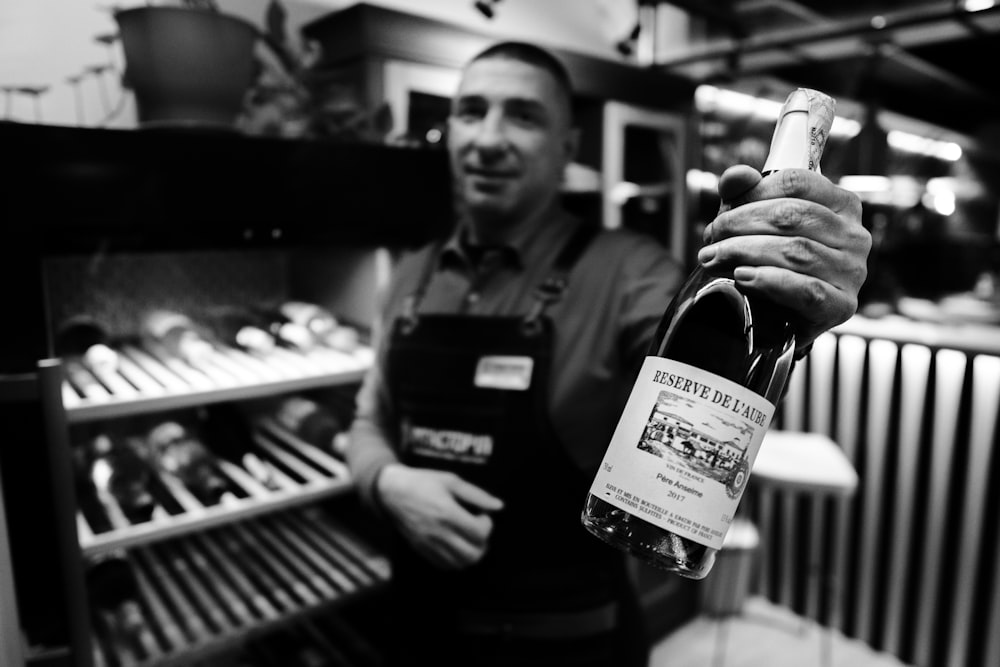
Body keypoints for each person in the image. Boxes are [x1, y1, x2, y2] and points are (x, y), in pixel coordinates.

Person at [343, 41, 871, 667]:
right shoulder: (409, 273)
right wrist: (387, 480)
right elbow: (368, 420)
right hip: (416, 631)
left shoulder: (628, 270)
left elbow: (708, 364)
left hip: (568, 644)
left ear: (567, 146)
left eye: (523, 115)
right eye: (470, 111)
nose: (487, 138)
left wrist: (791, 308)